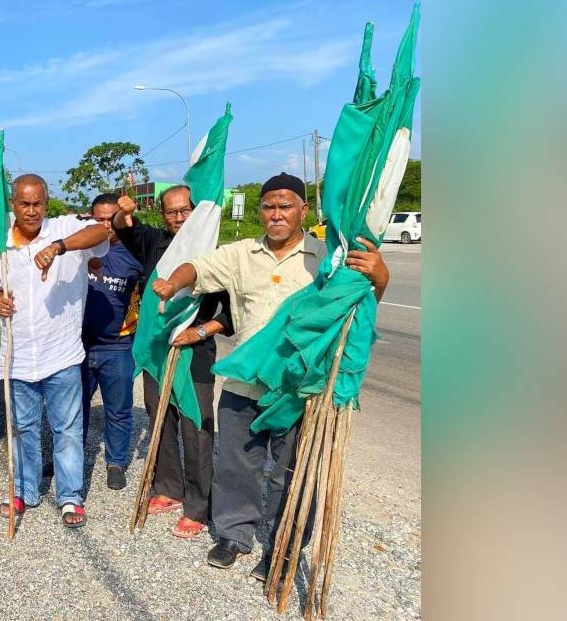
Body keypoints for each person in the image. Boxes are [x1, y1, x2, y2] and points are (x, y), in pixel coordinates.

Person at [150, 173, 390, 578]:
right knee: (235, 464)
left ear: (303, 210)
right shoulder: (241, 253)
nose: (276, 214)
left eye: (286, 206)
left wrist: (380, 278)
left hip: (301, 391)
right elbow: (199, 267)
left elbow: (357, 308)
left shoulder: (327, 259)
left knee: (292, 471)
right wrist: (173, 281)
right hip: (244, 383)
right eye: (269, 206)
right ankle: (233, 535)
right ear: (260, 211)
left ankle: (284, 546)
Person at [0, 174, 109, 529]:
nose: (32, 211)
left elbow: (101, 232)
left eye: (38, 203)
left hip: (62, 355)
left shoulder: (64, 228)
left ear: (46, 202)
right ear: (13, 204)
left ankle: (70, 496)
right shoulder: (0, 245)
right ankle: (24, 490)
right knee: (22, 428)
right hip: (17, 357)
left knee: (67, 429)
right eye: (24, 203)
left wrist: (59, 247)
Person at [112, 186, 234, 539]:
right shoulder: (155, 243)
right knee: (159, 414)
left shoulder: (214, 253)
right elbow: (122, 227)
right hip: (158, 349)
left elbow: (233, 311)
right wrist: (122, 210)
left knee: (196, 424)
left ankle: (198, 505)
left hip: (194, 348)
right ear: (162, 215)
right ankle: (168, 487)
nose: (179, 218)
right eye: (171, 212)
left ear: (196, 211)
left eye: (185, 211)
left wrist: (200, 331)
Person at [80, 194, 144, 491]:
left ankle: (116, 462)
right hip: (77, 346)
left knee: (118, 409)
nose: (106, 225)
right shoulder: (78, 251)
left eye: (111, 218)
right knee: (72, 409)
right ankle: (68, 458)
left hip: (117, 347)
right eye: (99, 219)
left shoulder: (134, 254)